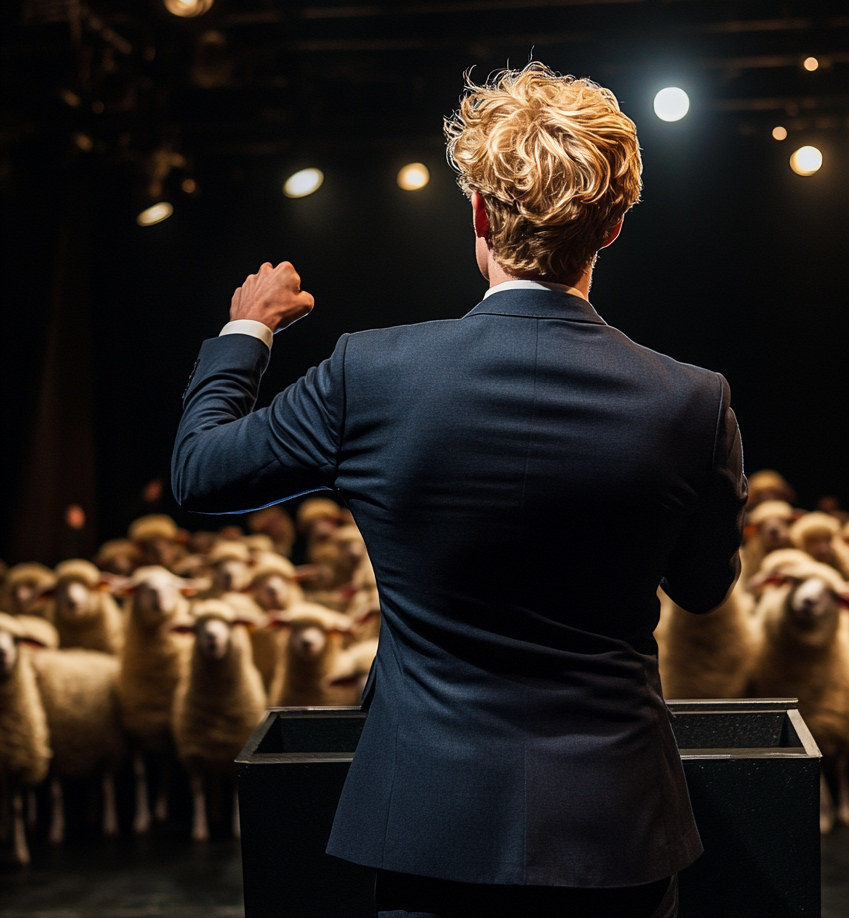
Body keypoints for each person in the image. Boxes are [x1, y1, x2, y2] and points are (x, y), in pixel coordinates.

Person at [172, 62, 746, 918]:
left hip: (425, 830)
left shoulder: (370, 372)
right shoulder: (693, 403)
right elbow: (704, 592)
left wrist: (247, 328)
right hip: (616, 832)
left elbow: (200, 474)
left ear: (477, 215)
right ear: (616, 227)